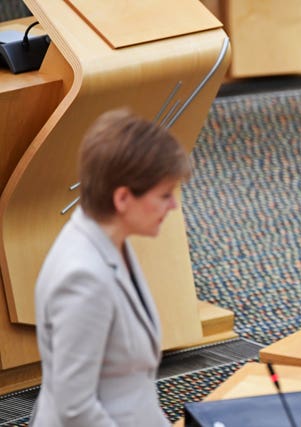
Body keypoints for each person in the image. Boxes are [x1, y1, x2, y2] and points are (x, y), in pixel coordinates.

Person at [30, 108, 191, 426]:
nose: (173, 206)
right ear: (122, 199)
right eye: (164, 195)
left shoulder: (110, 241)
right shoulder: (82, 279)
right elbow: (75, 409)